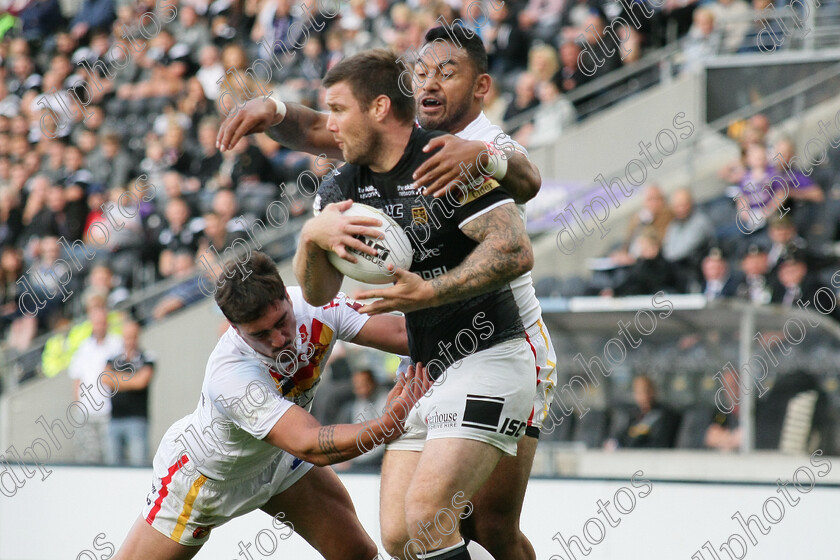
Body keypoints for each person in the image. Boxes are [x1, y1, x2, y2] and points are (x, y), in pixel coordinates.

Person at [218, 27, 556, 560]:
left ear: (481, 85)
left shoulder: (479, 145)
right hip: (425, 347)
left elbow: (528, 183)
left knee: (485, 523)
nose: (431, 81)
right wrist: (276, 112)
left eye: (448, 72)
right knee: (403, 536)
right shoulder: (378, 150)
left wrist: (486, 159)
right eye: (422, 70)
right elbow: (322, 128)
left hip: (506, 338)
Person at [114, 251, 427, 559]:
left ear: (289, 298)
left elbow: (404, 334)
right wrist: (387, 425)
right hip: (204, 480)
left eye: (281, 321)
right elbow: (311, 445)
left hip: (276, 458)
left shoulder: (316, 306)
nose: (279, 339)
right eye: (260, 334)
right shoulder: (231, 376)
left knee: (356, 553)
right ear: (234, 328)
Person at [68, 303, 123, 464]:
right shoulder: (84, 347)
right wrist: (78, 405)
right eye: (96, 322)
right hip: (86, 410)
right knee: (87, 457)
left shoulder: (116, 344)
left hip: (109, 409)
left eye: (102, 322)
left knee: (110, 456)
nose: (100, 326)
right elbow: (77, 377)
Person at [102, 320, 155, 467]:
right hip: (115, 419)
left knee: (138, 464)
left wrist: (117, 380)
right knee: (112, 465)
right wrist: (131, 380)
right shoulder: (113, 358)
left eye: (132, 336)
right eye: (127, 336)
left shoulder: (147, 357)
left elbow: (141, 382)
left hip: (137, 419)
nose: (129, 340)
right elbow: (105, 379)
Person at [609, 376, 680, 448]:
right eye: (639, 392)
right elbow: (619, 437)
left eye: (647, 391)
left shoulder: (664, 415)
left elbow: (659, 442)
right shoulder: (631, 415)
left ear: (654, 391)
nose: (644, 396)